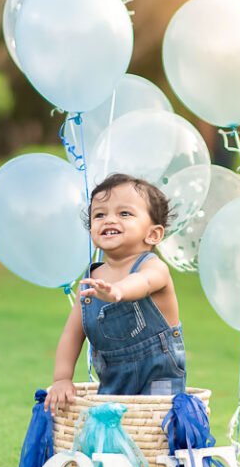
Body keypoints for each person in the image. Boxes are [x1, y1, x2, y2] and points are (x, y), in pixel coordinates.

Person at [44, 173, 186, 413]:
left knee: (157, 435)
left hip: (159, 380)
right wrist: (61, 378)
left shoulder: (152, 266)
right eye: (99, 214)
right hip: (112, 381)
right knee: (109, 439)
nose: (109, 220)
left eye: (124, 213)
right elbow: (72, 334)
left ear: (153, 234)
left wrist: (118, 291)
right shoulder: (91, 281)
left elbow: (143, 281)